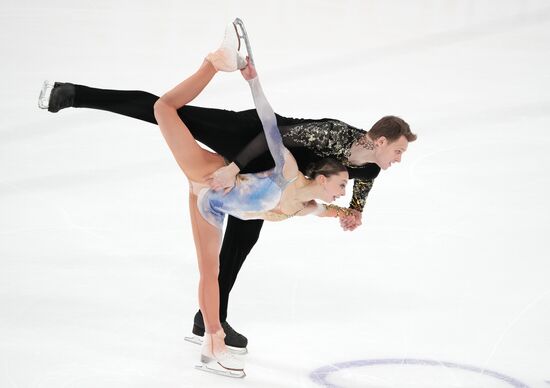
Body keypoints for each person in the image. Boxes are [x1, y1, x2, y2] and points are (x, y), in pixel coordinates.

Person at [38, 19, 417, 356]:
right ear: (380, 141)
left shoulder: (372, 169)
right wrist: (233, 166)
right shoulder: (334, 132)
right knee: (168, 111)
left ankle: (209, 319)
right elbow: (276, 131)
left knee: (238, 247)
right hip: (250, 139)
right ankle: (72, 94)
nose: (399, 159)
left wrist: (353, 214)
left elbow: (358, 200)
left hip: (267, 180)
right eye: (398, 150)